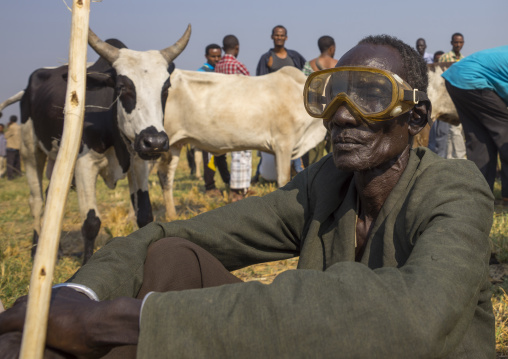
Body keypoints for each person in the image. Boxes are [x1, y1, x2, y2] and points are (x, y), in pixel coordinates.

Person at [0, 35, 495, 359]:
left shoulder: (456, 190)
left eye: (370, 94)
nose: (341, 115)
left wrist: (129, 319)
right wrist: (79, 297)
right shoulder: (324, 185)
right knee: (169, 255)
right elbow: (178, 232)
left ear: (414, 118)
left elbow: (414, 315)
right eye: (329, 96)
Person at [442, 45, 508, 205]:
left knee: (480, 141)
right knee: (505, 134)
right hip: (473, 80)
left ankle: (479, 198)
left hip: (455, 79)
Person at [254, 25, 306, 180]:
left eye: (282, 35)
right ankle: (259, 174)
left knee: (294, 139)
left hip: (294, 107)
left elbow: (305, 73)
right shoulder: (266, 58)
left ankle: (298, 171)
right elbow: (260, 83)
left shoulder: (294, 57)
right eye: (276, 35)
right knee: (267, 142)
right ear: (272, 37)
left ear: (286, 38)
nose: (279, 37)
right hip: (273, 108)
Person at [215, 35, 251, 202]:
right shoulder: (238, 65)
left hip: (221, 112)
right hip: (238, 112)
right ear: (236, 48)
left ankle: (231, 186)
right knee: (242, 151)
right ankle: (239, 189)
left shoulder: (218, 66)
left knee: (227, 152)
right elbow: (251, 85)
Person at [196, 44, 231, 196]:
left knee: (221, 154)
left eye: (219, 56)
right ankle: (210, 187)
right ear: (206, 57)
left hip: (220, 119)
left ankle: (228, 182)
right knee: (209, 155)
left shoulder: (220, 71)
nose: (216, 59)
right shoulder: (201, 73)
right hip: (206, 120)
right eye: (213, 56)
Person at [301, 36, 337, 167]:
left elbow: (302, 88)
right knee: (335, 142)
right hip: (334, 110)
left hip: (315, 110)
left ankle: (313, 173)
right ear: (332, 48)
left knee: (315, 144)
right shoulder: (339, 64)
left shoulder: (308, 65)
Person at [438, 33, 467, 160]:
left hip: (460, 97)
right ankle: (458, 158)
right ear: (451, 43)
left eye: (460, 42)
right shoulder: (445, 58)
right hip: (447, 97)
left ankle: (453, 159)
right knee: (452, 130)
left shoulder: (465, 59)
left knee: (456, 130)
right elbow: (439, 78)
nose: (458, 45)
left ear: (463, 43)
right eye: (456, 42)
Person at [5, 115, 21, 180]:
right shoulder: (19, 127)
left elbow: (6, 136)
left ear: (11, 120)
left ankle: (10, 176)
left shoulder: (11, 127)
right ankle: (18, 174)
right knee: (17, 162)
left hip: (11, 147)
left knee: (10, 163)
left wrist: (8, 126)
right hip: (18, 147)